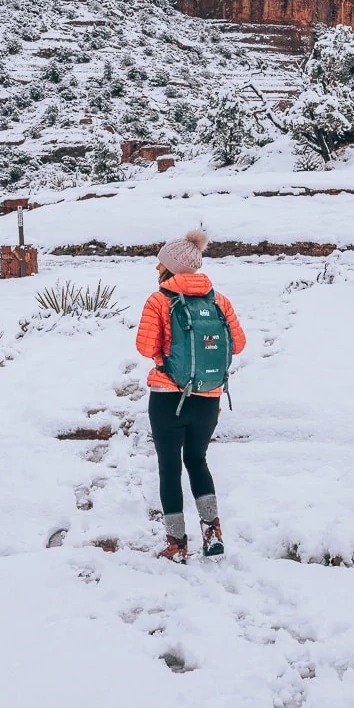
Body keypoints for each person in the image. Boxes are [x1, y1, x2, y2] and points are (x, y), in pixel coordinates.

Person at [136, 229, 246, 562]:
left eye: (160, 264)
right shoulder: (219, 300)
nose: (157, 269)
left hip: (168, 398)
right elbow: (238, 345)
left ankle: (176, 545)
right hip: (208, 398)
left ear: (169, 267)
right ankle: (213, 535)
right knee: (197, 461)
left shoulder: (159, 300)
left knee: (169, 467)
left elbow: (145, 347)